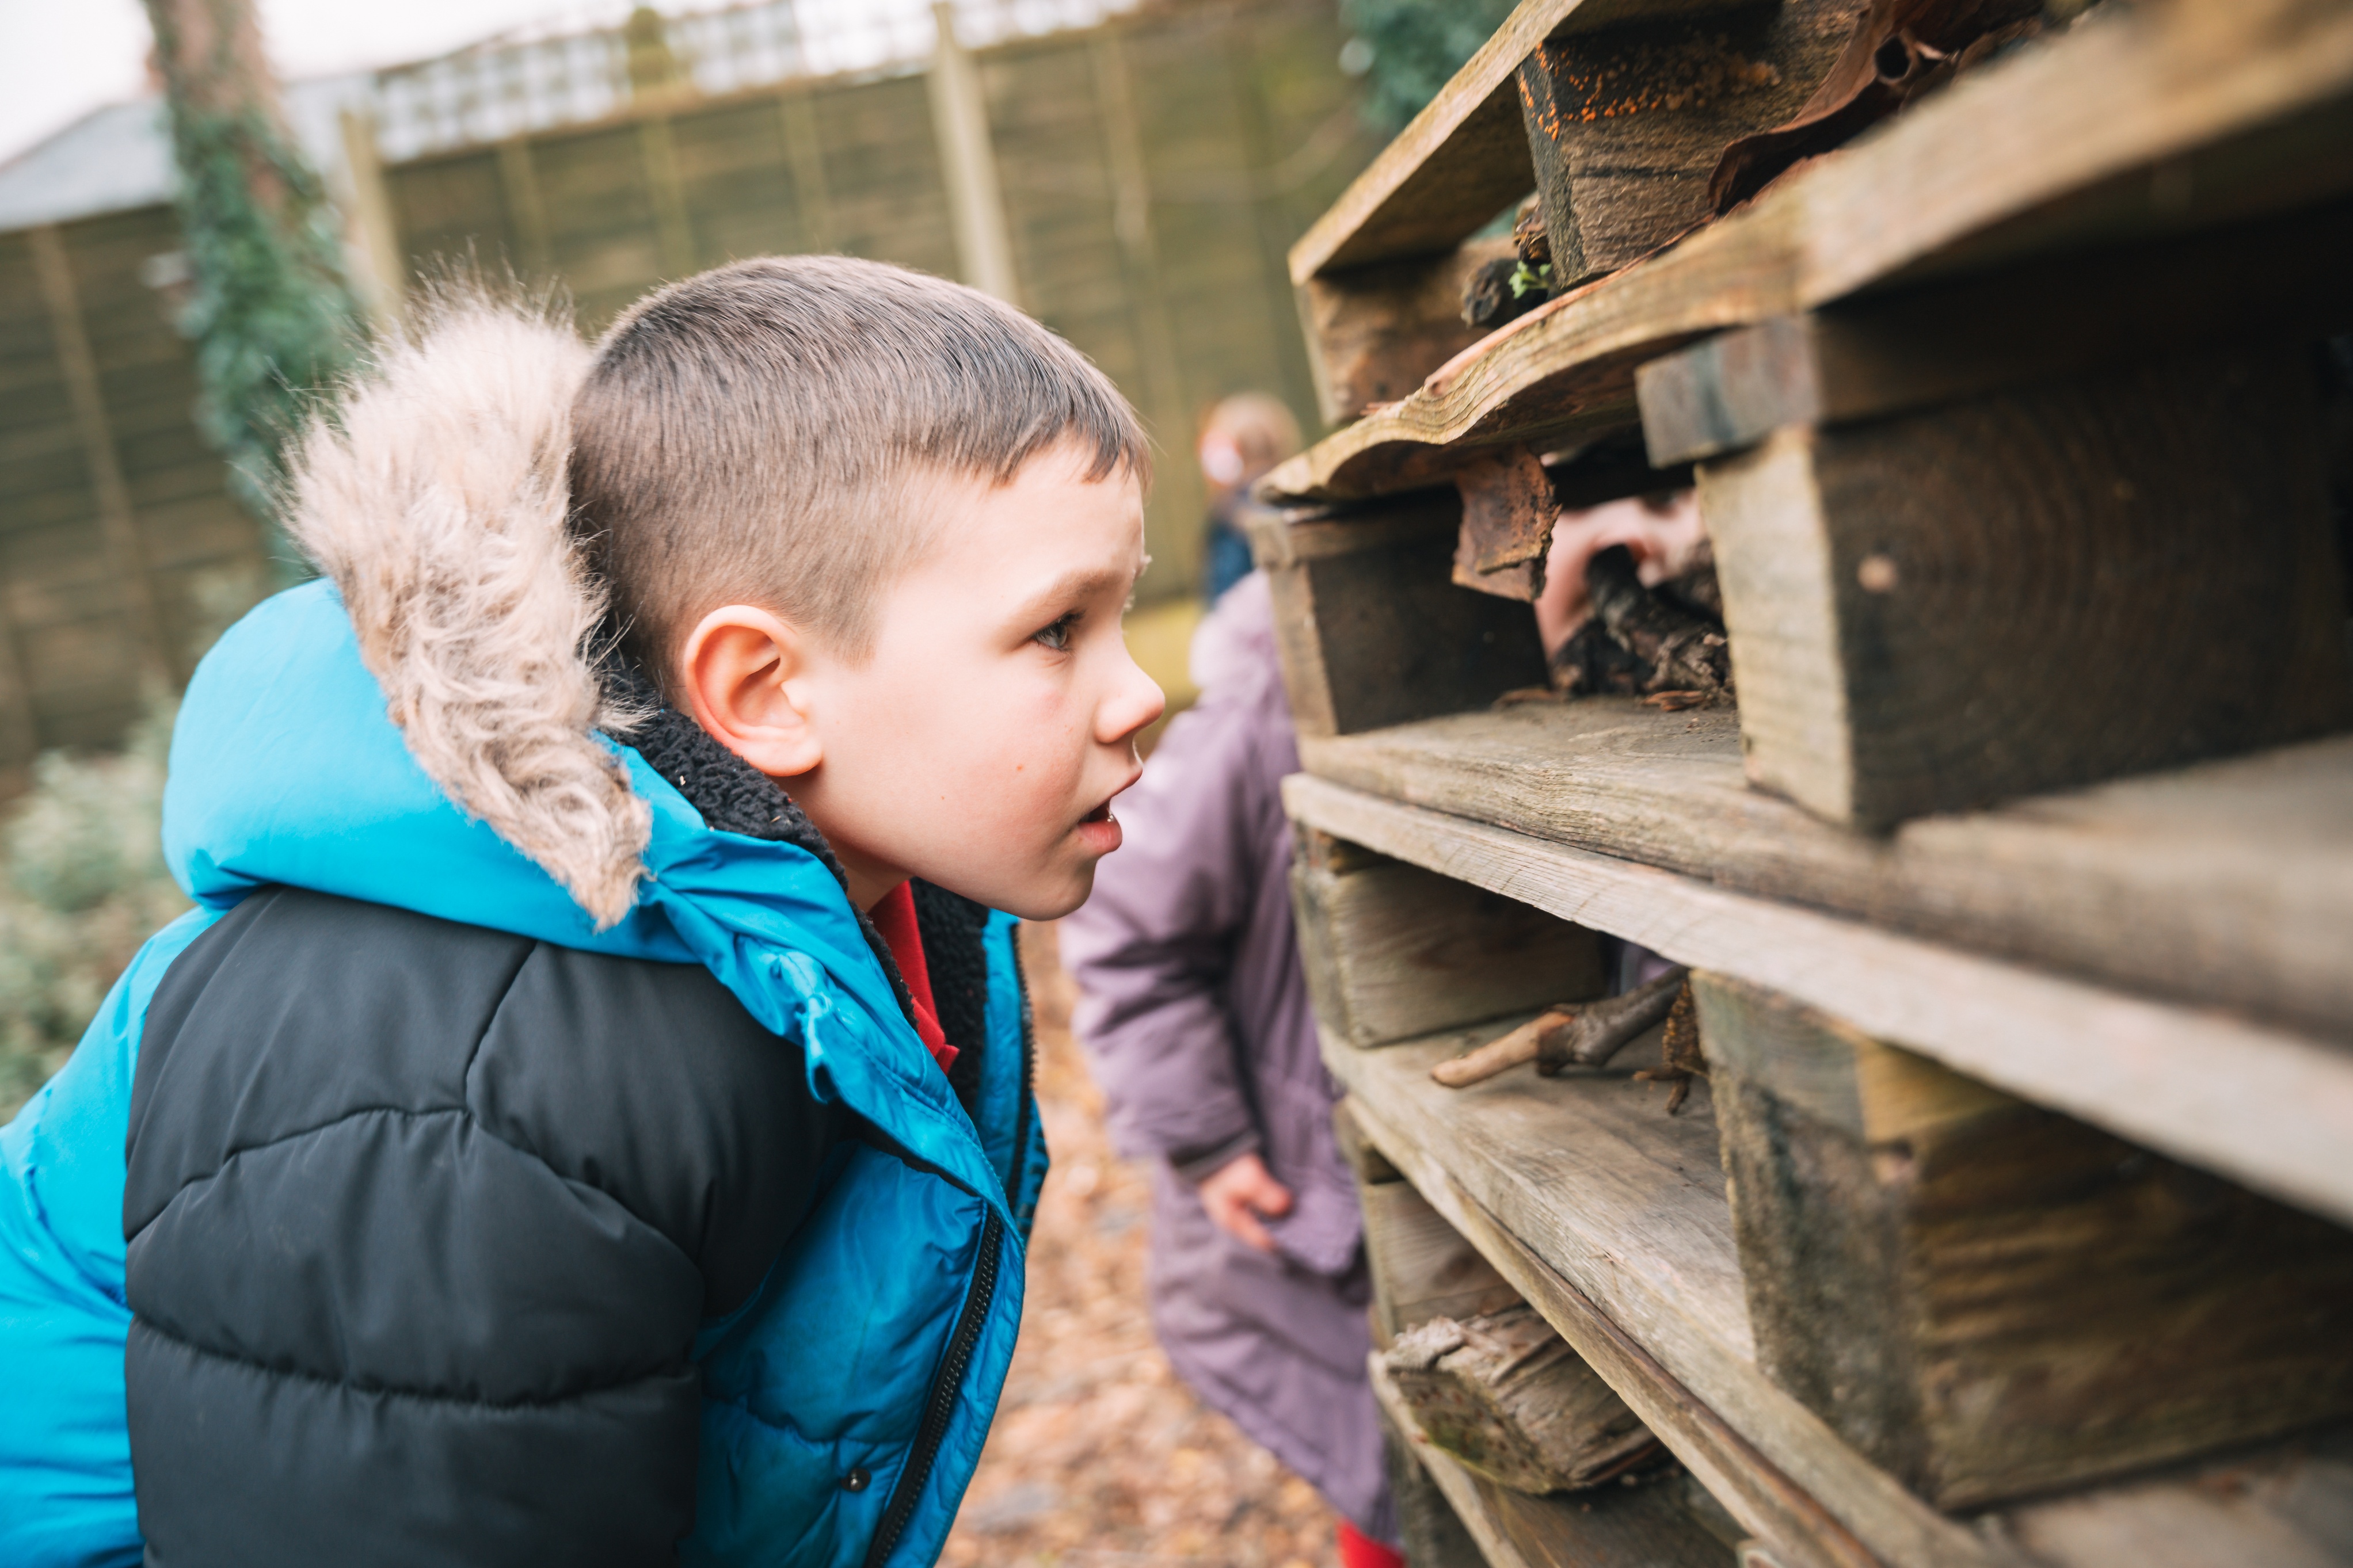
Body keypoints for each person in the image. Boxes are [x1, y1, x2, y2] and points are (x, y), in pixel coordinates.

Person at [0, 257, 1166, 1567]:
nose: (1141, 696)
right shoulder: (475, 1093)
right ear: (766, 690)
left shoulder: (837, 922)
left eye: (1120, 608)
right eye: (1059, 630)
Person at [1060, 398, 1407, 1568]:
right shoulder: (1270, 705)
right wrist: (1206, 1136)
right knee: (1388, 1444)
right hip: (1317, 1201)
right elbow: (1129, 924)